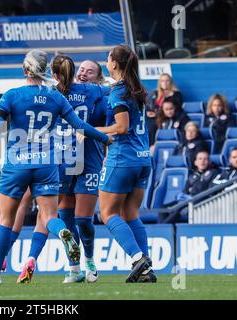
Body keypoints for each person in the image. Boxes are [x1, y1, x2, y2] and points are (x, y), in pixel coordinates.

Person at [0, 49, 112, 285]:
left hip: (17, 164)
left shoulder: (12, 95)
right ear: (45, 71)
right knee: (51, 215)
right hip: (47, 163)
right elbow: (79, 125)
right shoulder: (56, 98)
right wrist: (105, 138)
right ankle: (63, 233)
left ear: (25, 69)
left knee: (6, 219)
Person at [16, 55, 108, 284]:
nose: (85, 72)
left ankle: (89, 261)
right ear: (74, 72)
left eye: (90, 70)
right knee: (68, 218)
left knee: (82, 219)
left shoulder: (56, 93)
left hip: (87, 160)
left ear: (98, 77)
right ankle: (74, 267)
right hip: (63, 160)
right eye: (82, 69)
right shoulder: (89, 92)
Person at [94, 44, 156, 283]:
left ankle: (137, 257)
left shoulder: (119, 91)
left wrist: (94, 130)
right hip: (142, 159)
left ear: (114, 64)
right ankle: (146, 270)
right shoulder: (137, 89)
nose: (106, 62)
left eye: (108, 58)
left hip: (123, 158)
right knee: (131, 213)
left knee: (107, 213)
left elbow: (121, 127)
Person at [158, 150, 219, 223]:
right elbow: (185, 191)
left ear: (209, 162)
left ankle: (163, 229)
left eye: (205, 159)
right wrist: (180, 196)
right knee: (163, 208)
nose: (202, 161)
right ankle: (162, 228)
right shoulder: (192, 175)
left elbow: (210, 192)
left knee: (178, 209)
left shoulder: (214, 173)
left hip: (200, 202)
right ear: (195, 162)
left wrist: (193, 198)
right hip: (186, 201)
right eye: (200, 159)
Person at [147, 74, 183, 146]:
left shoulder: (176, 94)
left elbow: (176, 110)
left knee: (153, 125)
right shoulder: (155, 93)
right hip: (154, 117)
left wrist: (157, 114)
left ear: (171, 82)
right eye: (162, 81)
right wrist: (147, 112)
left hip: (168, 118)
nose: (165, 83)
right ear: (159, 83)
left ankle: (153, 146)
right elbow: (149, 106)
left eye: (167, 81)